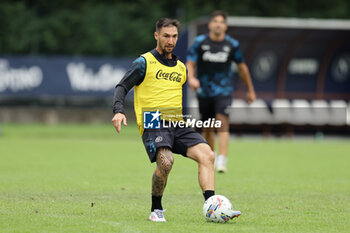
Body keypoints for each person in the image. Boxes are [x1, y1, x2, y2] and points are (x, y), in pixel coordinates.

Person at [112, 18, 242, 222]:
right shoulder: (143, 62)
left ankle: (213, 206)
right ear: (157, 36)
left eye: (174, 36)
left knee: (207, 154)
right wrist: (119, 111)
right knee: (166, 162)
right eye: (166, 36)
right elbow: (121, 87)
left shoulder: (181, 68)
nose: (170, 40)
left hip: (176, 121)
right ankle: (156, 210)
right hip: (153, 119)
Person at [186, 10, 256, 173]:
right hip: (204, 91)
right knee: (208, 127)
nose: (218, 24)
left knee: (222, 121)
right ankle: (212, 155)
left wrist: (250, 90)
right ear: (210, 24)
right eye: (215, 21)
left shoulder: (232, 45)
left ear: (225, 26)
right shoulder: (200, 42)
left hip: (224, 91)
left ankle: (223, 160)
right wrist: (191, 78)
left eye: (221, 22)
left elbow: (242, 67)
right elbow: (190, 63)